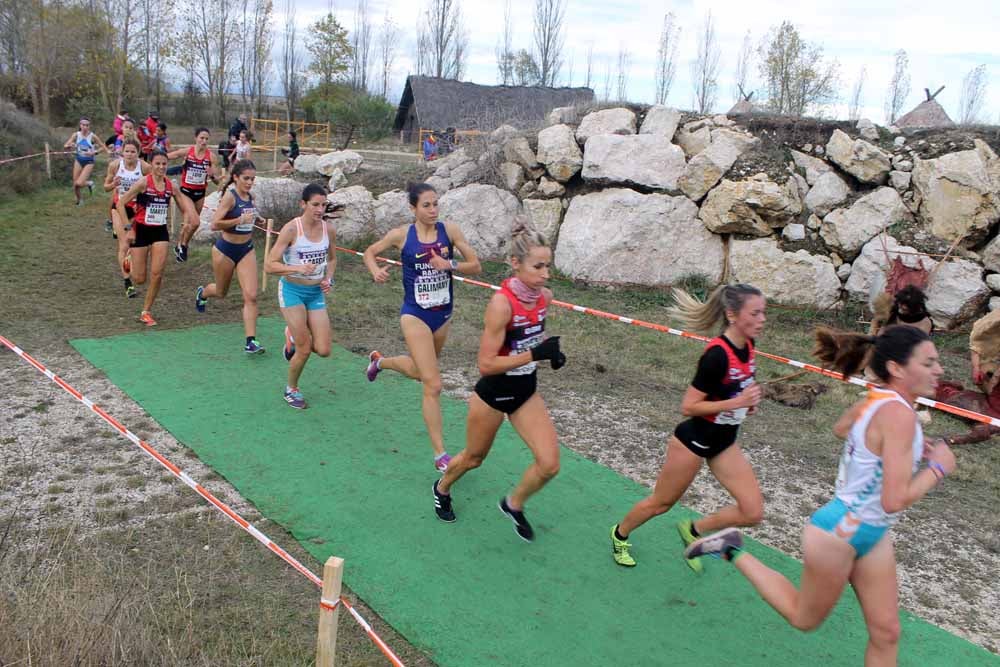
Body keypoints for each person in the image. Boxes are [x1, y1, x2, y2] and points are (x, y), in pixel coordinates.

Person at [684, 325, 955, 667]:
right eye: (929, 363)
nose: (939, 370)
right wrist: (938, 468)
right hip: (839, 533)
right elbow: (894, 500)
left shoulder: (880, 398)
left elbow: (842, 429)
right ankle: (731, 550)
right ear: (897, 368)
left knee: (886, 632)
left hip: (872, 532)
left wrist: (905, 451)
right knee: (803, 618)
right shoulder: (898, 414)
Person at [609, 284, 766, 571]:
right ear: (732, 315)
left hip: (723, 443)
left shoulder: (750, 348)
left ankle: (693, 530)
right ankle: (620, 534)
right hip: (692, 442)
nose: (762, 319)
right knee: (661, 503)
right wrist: (736, 402)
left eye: (763, 313)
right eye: (755, 313)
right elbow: (689, 406)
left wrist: (748, 402)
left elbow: (732, 391)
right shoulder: (717, 355)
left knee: (753, 511)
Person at [432, 222, 567, 542]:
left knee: (549, 465)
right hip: (493, 394)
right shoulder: (501, 303)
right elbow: (486, 364)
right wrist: (535, 353)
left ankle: (513, 504)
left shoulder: (544, 297)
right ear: (515, 264)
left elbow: (530, 337)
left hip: (525, 393)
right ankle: (442, 487)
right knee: (474, 458)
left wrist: (552, 353)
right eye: (538, 266)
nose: (545, 274)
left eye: (548, 265)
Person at [362, 183, 482, 472]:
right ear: (413, 208)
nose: (432, 210)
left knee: (418, 371)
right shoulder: (402, 235)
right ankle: (441, 454)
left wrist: (448, 263)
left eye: (435, 204)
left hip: (442, 315)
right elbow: (370, 251)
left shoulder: (449, 230)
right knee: (433, 383)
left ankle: (381, 362)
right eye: (426, 205)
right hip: (414, 314)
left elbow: (476, 265)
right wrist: (375, 270)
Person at [265, 185, 341, 409]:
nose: (320, 209)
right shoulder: (291, 229)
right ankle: (291, 389)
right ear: (303, 204)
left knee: (324, 350)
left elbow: (333, 259)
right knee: (305, 348)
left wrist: (329, 278)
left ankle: (291, 335)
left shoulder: (329, 230)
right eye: (315, 204)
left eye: (323, 205)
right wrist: (296, 269)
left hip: (315, 292)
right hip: (292, 292)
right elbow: (270, 265)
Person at [194, 159, 265, 354]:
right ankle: (203, 293)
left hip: (246, 250)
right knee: (221, 292)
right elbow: (215, 224)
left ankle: (250, 341)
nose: (250, 182)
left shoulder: (250, 196)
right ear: (235, 177)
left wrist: (259, 219)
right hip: (225, 250)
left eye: (252, 178)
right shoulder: (229, 197)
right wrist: (239, 220)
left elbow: (250, 212)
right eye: (246, 178)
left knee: (251, 295)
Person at [117, 150, 173, 326]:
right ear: (151, 165)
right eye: (157, 163)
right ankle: (129, 260)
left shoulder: (170, 185)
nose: (161, 167)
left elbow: (181, 201)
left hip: (160, 232)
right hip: (141, 230)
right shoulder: (143, 183)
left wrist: (190, 220)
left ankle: (146, 311)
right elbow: (120, 203)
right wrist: (128, 229)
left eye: (164, 164)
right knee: (139, 279)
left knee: (157, 274)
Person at [102, 137, 148, 298]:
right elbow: (106, 187)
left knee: (136, 244)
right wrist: (113, 184)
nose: (129, 155)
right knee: (124, 244)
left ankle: (132, 264)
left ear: (138, 153)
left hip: (137, 209)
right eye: (127, 151)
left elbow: (154, 184)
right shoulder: (115, 166)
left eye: (133, 152)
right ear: (122, 152)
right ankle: (127, 282)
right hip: (119, 208)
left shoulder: (144, 167)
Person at [168, 128, 221, 263]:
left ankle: (180, 245)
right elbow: (171, 155)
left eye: (206, 139)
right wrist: (155, 160)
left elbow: (217, 181)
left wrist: (212, 175)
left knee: (190, 224)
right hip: (185, 193)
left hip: (200, 194)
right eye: (201, 138)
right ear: (196, 138)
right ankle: (184, 246)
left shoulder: (211, 157)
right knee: (195, 221)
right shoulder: (188, 151)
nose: (204, 141)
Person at [63, 118, 106, 205]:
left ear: (89, 126)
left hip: (89, 161)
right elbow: (66, 145)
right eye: (83, 125)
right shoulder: (76, 135)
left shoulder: (93, 136)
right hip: (79, 159)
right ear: (80, 125)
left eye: (87, 125)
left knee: (79, 183)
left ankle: (90, 183)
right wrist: (69, 146)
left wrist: (94, 152)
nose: (85, 127)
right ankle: (80, 201)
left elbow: (103, 147)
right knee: (75, 184)